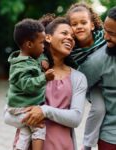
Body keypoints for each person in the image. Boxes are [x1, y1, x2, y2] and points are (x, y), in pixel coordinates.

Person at [13, 16, 87, 150]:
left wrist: (44, 110)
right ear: (48, 37)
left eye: (72, 36)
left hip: (62, 146)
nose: (70, 38)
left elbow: (75, 118)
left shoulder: (78, 77)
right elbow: (13, 105)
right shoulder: (31, 69)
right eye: (64, 33)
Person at [4, 18, 55, 150]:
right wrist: (44, 77)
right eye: (42, 43)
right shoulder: (20, 66)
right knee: (39, 127)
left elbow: (39, 57)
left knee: (25, 131)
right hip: (20, 105)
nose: (44, 47)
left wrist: (43, 60)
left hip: (21, 104)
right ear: (29, 44)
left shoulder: (31, 57)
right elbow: (27, 85)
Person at [65, 3, 107, 150]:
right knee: (99, 108)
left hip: (110, 76)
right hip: (95, 85)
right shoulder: (71, 49)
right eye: (74, 24)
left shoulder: (103, 36)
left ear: (93, 25)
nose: (79, 26)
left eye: (84, 22)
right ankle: (88, 144)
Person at [79, 6, 116, 150]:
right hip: (111, 140)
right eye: (105, 31)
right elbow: (77, 87)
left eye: (112, 33)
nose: (106, 37)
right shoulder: (96, 62)